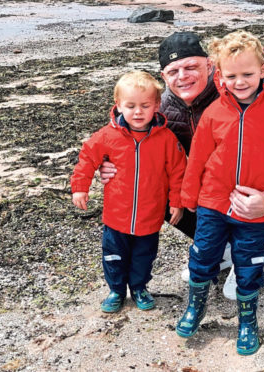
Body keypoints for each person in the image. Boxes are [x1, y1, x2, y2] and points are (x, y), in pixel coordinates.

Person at [98, 32, 264, 299]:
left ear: (210, 66)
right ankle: (219, 249)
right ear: (164, 77)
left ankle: (247, 254)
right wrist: (108, 163)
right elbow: (122, 127)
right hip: (212, 193)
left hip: (262, 189)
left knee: (255, 204)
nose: (183, 76)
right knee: (154, 186)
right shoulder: (159, 111)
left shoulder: (243, 94)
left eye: (191, 67)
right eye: (174, 71)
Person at [175, 31, 264, 356]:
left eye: (247, 74)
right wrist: (188, 198)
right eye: (231, 75)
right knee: (202, 255)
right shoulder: (214, 113)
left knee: (250, 263)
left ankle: (247, 321)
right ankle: (196, 306)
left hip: (257, 206)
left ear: (263, 70)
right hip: (212, 204)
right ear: (219, 75)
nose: (240, 82)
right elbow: (198, 160)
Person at [71, 71, 186, 313]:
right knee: (114, 255)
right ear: (119, 105)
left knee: (144, 257)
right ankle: (115, 290)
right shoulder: (107, 135)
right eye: (130, 105)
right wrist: (80, 188)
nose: (138, 112)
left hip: (150, 216)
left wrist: (177, 202)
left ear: (156, 105)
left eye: (145, 105)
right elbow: (87, 159)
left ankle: (139, 287)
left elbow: (178, 171)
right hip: (116, 216)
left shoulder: (165, 138)